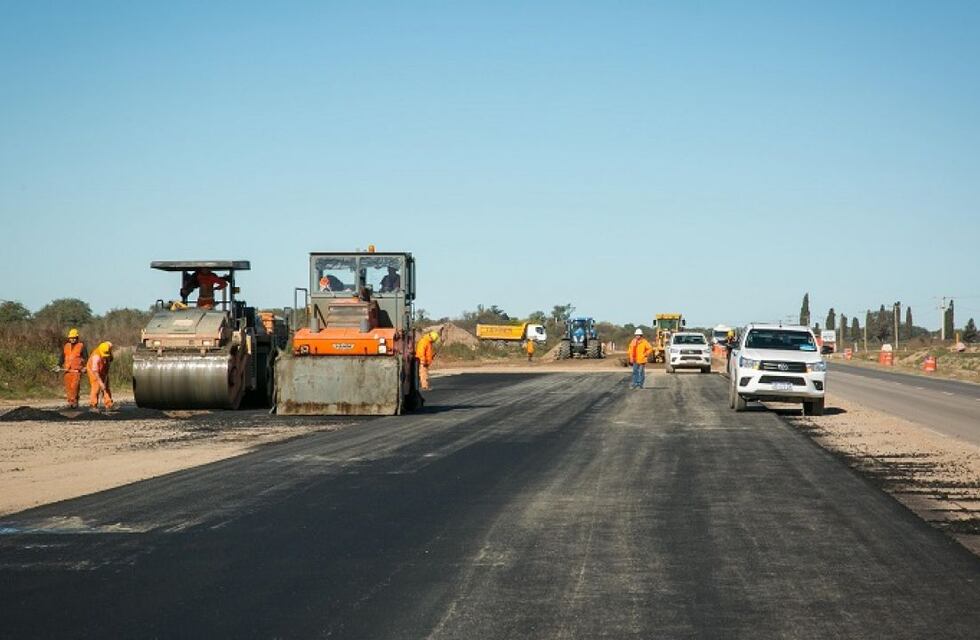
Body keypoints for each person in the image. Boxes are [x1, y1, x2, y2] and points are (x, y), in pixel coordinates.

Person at [58, 328, 88, 408]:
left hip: (77, 370)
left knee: (75, 387)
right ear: (69, 338)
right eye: (71, 338)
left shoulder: (81, 346)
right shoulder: (66, 346)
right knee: (68, 388)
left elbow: (86, 358)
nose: (72, 339)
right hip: (67, 370)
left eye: (74, 338)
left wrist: (85, 367)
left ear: (77, 338)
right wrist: (58, 365)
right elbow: (62, 357)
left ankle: (74, 402)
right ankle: (70, 402)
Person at [87, 341, 114, 411]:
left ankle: (109, 404)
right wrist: (101, 383)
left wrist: (110, 357)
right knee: (96, 386)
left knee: (106, 386)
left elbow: (110, 345)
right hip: (93, 370)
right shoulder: (96, 357)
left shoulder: (108, 346)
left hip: (103, 368)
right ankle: (93, 405)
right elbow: (95, 372)